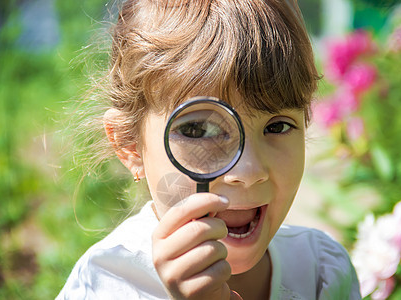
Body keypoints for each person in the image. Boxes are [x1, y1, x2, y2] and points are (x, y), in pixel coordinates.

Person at [57, 0, 361, 299]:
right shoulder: (105, 284)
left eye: (277, 126)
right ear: (130, 146)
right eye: (198, 130)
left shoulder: (321, 271)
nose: (249, 171)